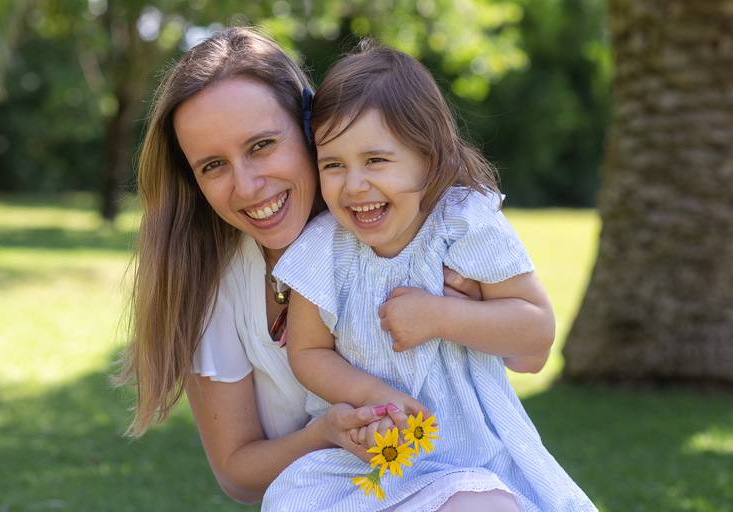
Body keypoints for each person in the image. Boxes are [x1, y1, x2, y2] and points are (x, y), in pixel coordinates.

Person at [116, 27, 547, 505]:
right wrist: (325, 433)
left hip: (462, 468)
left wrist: (455, 314)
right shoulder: (215, 283)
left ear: (309, 129)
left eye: (261, 145)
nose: (247, 186)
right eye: (213, 165)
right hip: (346, 484)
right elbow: (238, 475)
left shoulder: (416, 232)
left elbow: (530, 355)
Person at [263, 44, 597, 511]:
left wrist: (440, 316)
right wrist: (374, 397)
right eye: (333, 165)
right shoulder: (323, 247)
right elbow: (308, 352)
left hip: (472, 454)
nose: (354, 184)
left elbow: (535, 329)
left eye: (376, 160)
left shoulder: (461, 223)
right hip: (372, 455)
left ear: (429, 157)